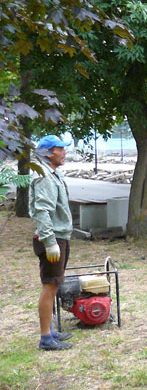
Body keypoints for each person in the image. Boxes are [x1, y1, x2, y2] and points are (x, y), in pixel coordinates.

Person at [29, 135, 74, 351]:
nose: (64, 152)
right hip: (53, 237)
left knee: (54, 285)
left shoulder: (53, 173)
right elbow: (42, 211)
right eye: (60, 149)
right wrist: (50, 242)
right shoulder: (45, 176)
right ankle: (46, 338)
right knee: (50, 286)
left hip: (59, 236)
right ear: (47, 153)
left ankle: (50, 330)